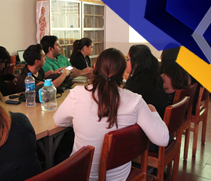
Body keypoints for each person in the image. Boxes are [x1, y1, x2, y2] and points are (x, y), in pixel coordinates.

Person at [53, 48, 169, 180]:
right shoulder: (135, 101)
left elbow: (58, 120)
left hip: (82, 175)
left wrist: (78, 119)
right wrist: (153, 111)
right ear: (123, 73)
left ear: (95, 67)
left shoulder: (76, 94)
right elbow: (162, 139)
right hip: (119, 177)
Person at [125, 44, 168, 117]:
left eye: (128, 59)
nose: (126, 62)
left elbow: (127, 107)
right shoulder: (153, 76)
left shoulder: (137, 82)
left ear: (136, 63)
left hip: (149, 121)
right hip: (160, 118)